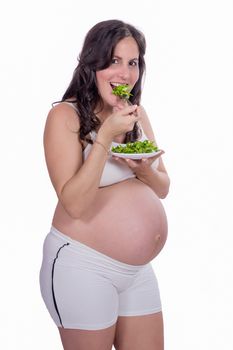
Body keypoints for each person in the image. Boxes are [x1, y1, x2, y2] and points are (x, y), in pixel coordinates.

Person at [39, 19, 170, 350]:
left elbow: (163, 187)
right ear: (92, 63)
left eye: (132, 63)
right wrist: (105, 138)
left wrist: (143, 170)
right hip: (82, 266)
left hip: (137, 271)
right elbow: (75, 204)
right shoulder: (65, 118)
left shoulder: (135, 116)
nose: (124, 74)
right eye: (113, 61)